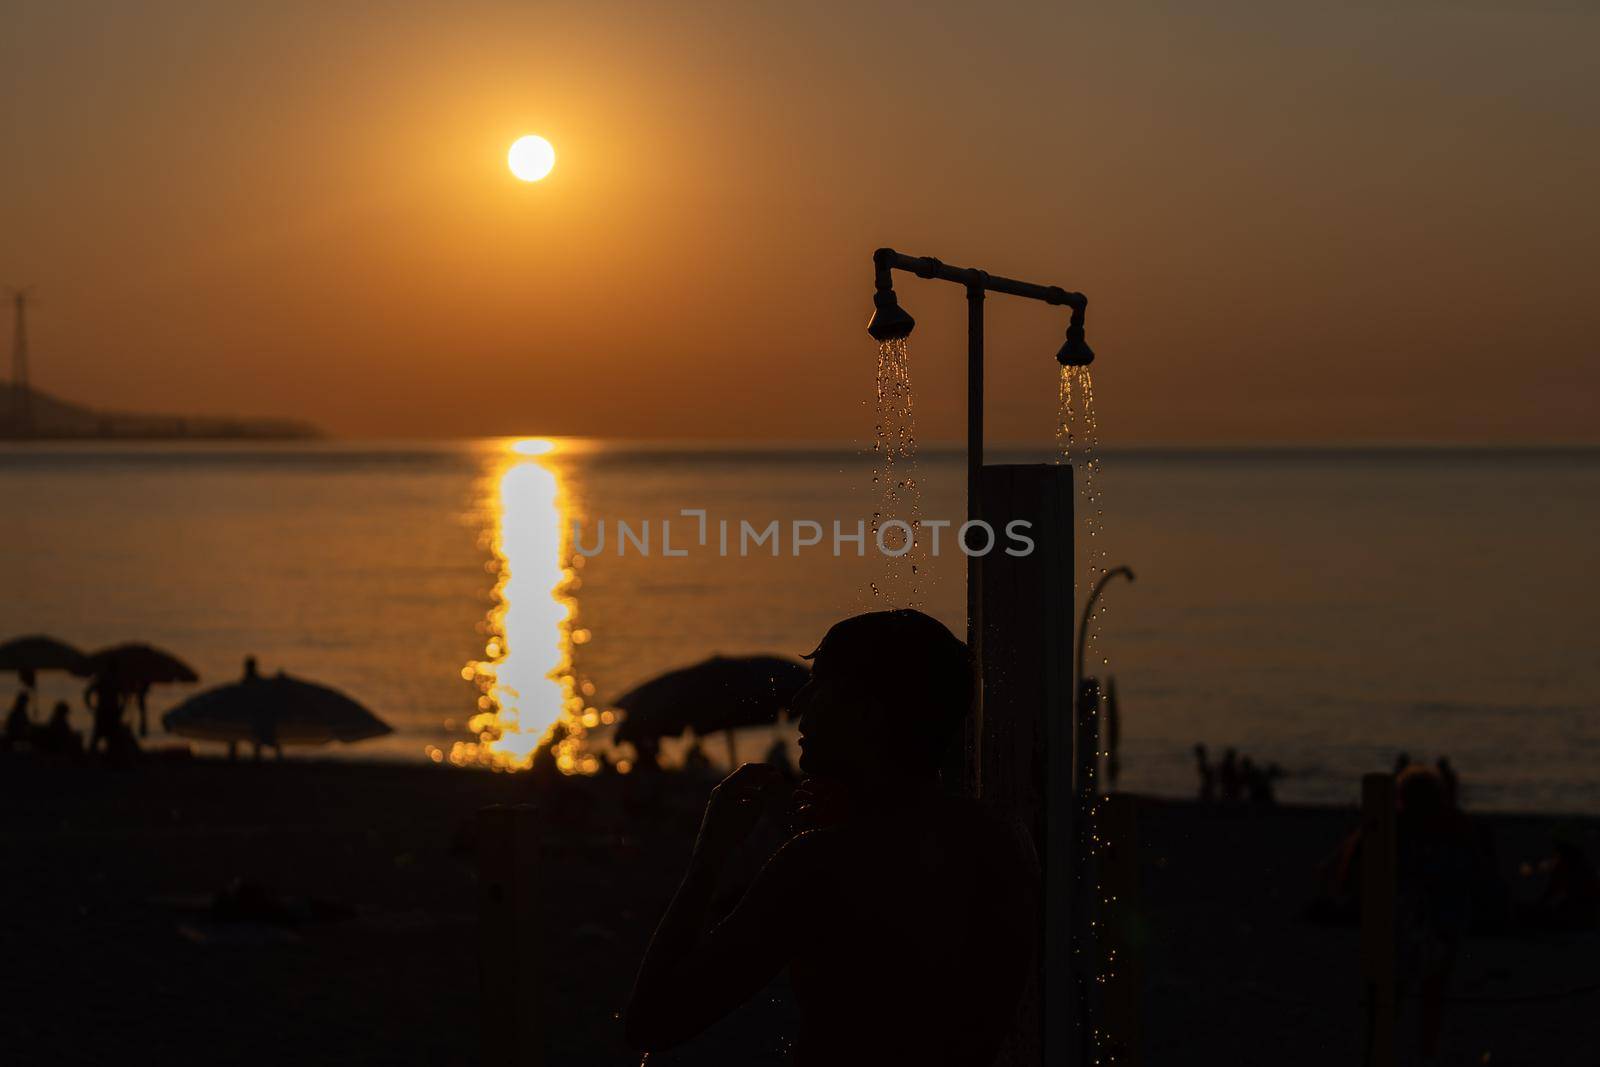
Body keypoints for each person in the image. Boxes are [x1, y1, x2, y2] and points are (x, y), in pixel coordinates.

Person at [627, 609, 1037, 1065]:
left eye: (822, 684)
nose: (802, 700)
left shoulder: (821, 866)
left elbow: (651, 1023)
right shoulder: (1000, 841)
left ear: (867, 711)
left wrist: (709, 856)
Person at [84, 673, 125, 754]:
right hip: (106, 713)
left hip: (109, 713)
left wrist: (90, 705)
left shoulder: (108, 681)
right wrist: (90, 706)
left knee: (110, 736)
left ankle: (106, 755)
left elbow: (88, 692)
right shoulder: (110, 681)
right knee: (102, 735)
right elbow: (88, 692)